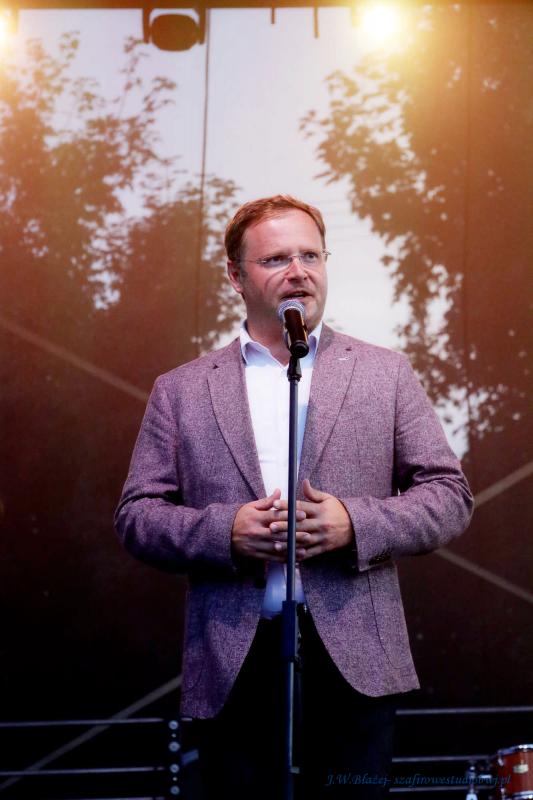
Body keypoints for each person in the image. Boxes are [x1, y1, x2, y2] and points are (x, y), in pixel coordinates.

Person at [115, 195, 473, 799]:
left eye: (311, 255)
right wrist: (225, 532)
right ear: (236, 276)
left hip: (358, 656)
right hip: (233, 656)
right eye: (276, 259)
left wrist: (354, 523)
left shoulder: (385, 373)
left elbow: (449, 495)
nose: (298, 271)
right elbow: (136, 516)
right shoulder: (180, 391)